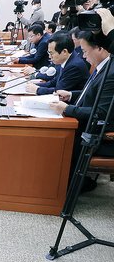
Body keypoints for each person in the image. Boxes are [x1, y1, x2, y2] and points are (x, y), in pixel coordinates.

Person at [50, 31, 114, 190]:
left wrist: (68, 109)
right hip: (87, 121)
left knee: (60, 137)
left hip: (98, 133)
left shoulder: (111, 73)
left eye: (85, 51)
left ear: (100, 48)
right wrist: (71, 95)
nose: (83, 56)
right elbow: (91, 94)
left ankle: (70, 186)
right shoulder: (102, 66)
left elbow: (100, 113)